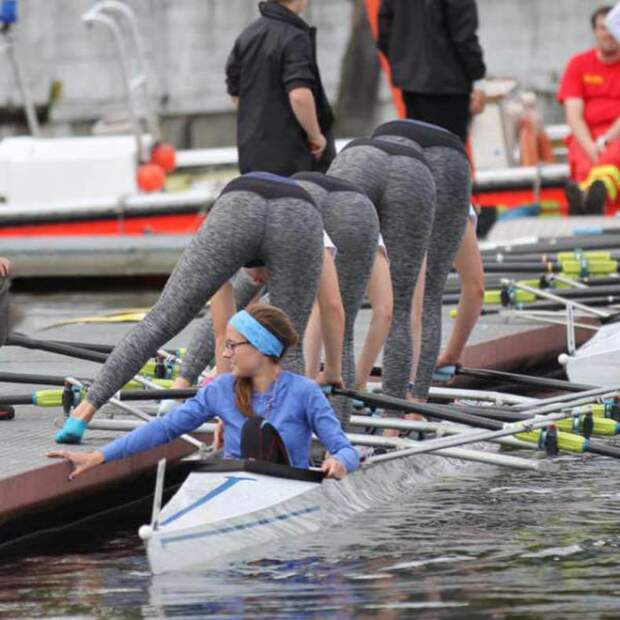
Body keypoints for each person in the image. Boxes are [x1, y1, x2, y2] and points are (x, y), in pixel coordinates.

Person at [54, 172, 324, 444]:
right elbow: (331, 307)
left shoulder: (231, 251)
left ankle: (83, 412)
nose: (259, 283)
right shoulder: (307, 231)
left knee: (161, 320)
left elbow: (222, 334)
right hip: (299, 215)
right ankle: (287, 446)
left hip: (239, 204)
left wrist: (227, 413)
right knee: (287, 345)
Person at [48, 304, 359, 480]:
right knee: (252, 432)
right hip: (233, 482)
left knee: (255, 430)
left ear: (262, 349)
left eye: (231, 345)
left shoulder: (304, 393)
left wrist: (339, 463)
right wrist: (99, 456)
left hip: (289, 487)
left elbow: (345, 449)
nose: (224, 355)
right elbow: (165, 428)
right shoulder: (221, 390)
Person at [328, 132, 435, 414]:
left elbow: (326, 309)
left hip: (356, 161)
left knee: (337, 311)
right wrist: (362, 381)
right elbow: (391, 311)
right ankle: (395, 425)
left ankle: (334, 413)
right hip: (416, 172)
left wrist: (328, 378)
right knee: (403, 309)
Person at [372, 120, 471, 404]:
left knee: (400, 297)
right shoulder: (459, 199)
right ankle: (415, 407)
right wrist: (451, 354)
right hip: (450, 156)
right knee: (429, 295)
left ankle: (368, 392)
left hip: (386, 144)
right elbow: (474, 285)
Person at [293, 172, 379, 426]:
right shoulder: (367, 221)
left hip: (300, 191)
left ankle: (297, 416)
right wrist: (356, 382)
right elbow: (386, 311)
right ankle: (341, 437)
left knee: (298, 313)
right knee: (344, 328)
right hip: (356, 205)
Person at [225, 0, 335, 176]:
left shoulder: (247, 35)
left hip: (253, 155)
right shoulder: (295, 37)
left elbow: (237, 94)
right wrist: (315, 135)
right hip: (294, 156)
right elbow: (299, 95)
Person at [377, 0, 487, 143]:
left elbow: (384, 31)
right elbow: (464, 36)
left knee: (418, 152)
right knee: (448, 155)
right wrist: (478, 78)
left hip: (411, 85)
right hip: (448, 87)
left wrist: (403, 63)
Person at [558, 5, 620, 215]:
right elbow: (573, 115)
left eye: (613, 27)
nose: (609, 33)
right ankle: (588, 200)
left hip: (616, 135)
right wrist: (591, 146)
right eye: (603, 28)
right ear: (594, 31)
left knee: (611, 159)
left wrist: (604, 141)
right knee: (584, 161)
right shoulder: (578, 64)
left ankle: (590, 201)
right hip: (586, 136)